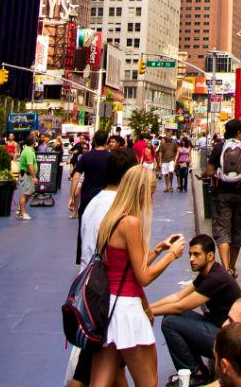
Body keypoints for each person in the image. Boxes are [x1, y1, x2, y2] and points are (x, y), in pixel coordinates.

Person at [81, 166, 182, 387]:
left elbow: (123, 265)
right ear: (141, 191)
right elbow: (143, 277)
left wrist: (157, 249)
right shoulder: (131, 223)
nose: (151, 201)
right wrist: (172, 256)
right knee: (148, 381)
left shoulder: (111, 219)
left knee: (99, 382)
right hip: (128, 310)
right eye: (150, 195)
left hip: (109, 310)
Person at [156, 234, 241, 385]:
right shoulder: (207, 273)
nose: (191, 259)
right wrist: (146, 307)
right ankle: (196, 370)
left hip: (228, 340)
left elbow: (180, 305)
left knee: (170, 323)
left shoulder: (215, 278)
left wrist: (147, 313)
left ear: (210, 256)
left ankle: (196, 373)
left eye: (196, 255)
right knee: (171, 317)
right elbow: (178, 297)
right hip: (217, 328)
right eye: (190, 254)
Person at [209, 119, 241, 272]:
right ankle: (233, 266)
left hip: (221, 194)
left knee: (223, 230)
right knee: (238, 231)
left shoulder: (218, 148)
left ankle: (225, 267)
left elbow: (209, 172)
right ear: (237, 132)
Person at [71, 130, 114, 223]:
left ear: (94, 140)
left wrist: (71, 197)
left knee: (84, 225)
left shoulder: (86, 157)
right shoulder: (111, 157)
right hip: (105, 198)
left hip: (88, 196)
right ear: (106, 141)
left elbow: (76, 177)